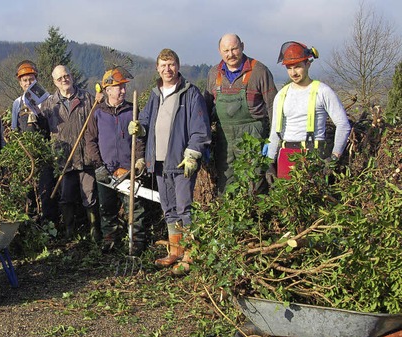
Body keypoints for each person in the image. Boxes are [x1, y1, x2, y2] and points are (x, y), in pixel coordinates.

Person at [130, 49, 211, 271]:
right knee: (169, 208)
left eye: (171, 64)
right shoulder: (155, 95)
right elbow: (145, 120)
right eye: (163, 65)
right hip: (159, 162)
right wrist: (139, 126)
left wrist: (193, 152)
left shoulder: (190, 93)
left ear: (178, 66)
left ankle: (191, 254)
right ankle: (176, 252)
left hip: (181, 162)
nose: (168, 69)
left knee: (185, 208)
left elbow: (199, 129)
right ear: (157, 68)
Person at [265, 41, 351, 181]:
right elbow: (275, 131)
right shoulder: (281, 95)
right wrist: (269, 162)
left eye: (298, 67)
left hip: (313, 156)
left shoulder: (323, 91)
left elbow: (343, 124)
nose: (293, 72)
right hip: (285, 156)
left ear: (308, 64)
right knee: (285, 202)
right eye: (289, 68)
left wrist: (335, 156)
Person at [204, 33, 277, 194]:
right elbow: (206, 110)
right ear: (219, 51)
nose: (230, 54)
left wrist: (273, 141)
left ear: (242, 46)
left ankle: (256, 218)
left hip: (253, 138)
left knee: (254, 187)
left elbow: (274, 107)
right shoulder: (214, 74)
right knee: (226, 186)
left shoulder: (259, 71)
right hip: (224, 140)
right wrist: (204, 141)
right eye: (226, 50)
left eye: (234, 49)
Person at [86, 67, 147, 254]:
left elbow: (140, 138)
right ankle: (109, 240)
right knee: (107, 208)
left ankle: (136, 241)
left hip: (128, 169)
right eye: (118, 87)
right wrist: (99, 166)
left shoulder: (132, 110)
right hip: (105, 170)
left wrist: (139, 160)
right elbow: (90, 141)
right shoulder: (97, 113)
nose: (122, 90)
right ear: (108, 90)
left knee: (134, 208)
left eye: (123, 87)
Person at [42, 65, 100, 240]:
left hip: (85, 158)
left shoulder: (88, 98)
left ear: (72, 76)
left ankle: (94, 232)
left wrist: (102, 100)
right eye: (59, 78)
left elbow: (99, 121)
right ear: (54, 82)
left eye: (66, 76)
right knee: (66, 198)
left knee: (89, 197)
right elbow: (43, 131)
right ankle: (70, 232)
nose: (64, 80)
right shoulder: (49, 104)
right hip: (63, 160)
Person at [10, 60, 58, 223]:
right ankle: (30, 223)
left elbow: (54, 127)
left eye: (31, 79)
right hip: (26, 154)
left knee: (46, 188)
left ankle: (49, 223)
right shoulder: (17, 103)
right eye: (25, 80)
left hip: (45, 153)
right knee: (28, 191)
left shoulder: (48, 99)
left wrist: (38, 112)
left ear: (36, 79)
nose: (28, 83)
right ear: (20, 82)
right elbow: (15, 129)